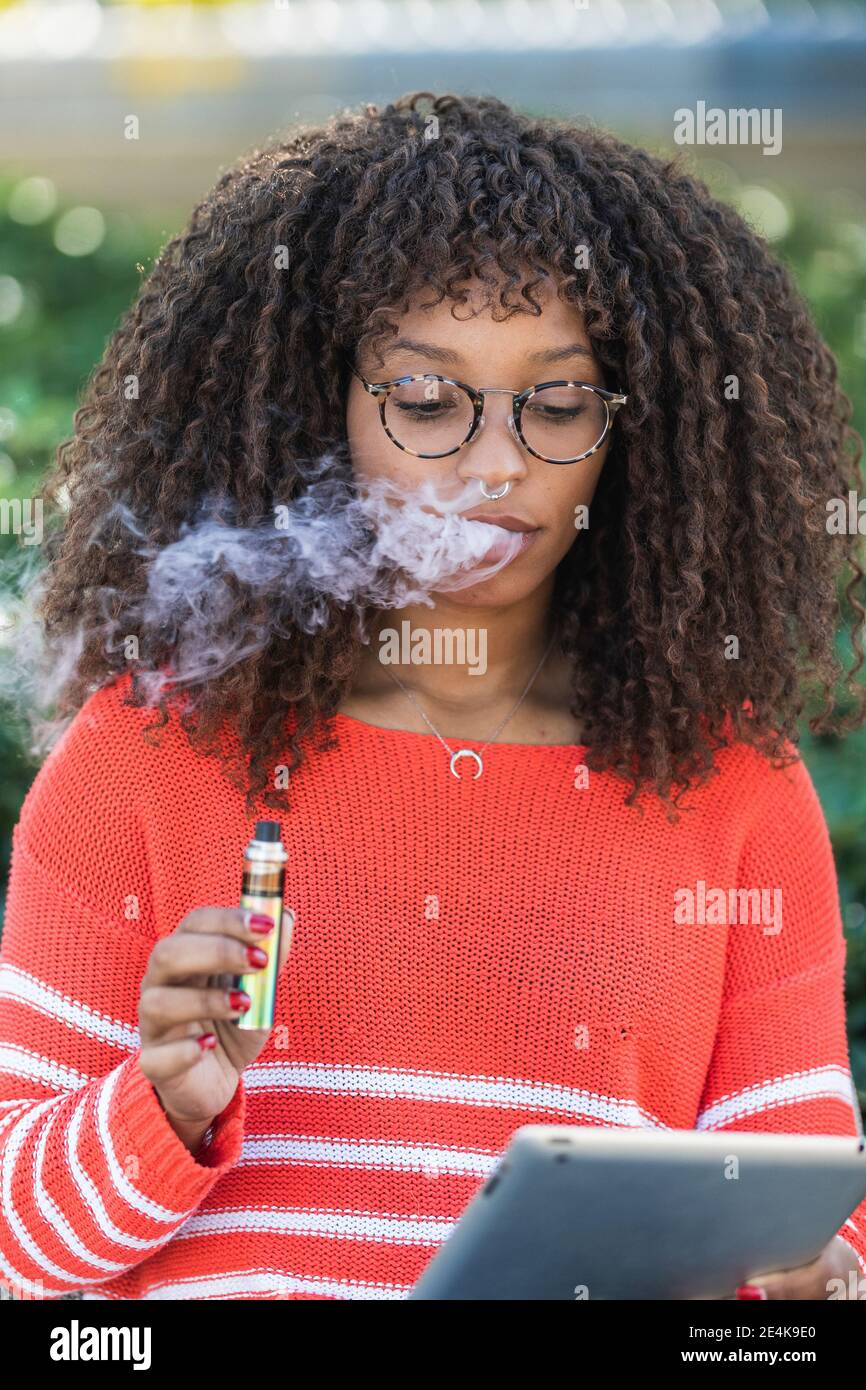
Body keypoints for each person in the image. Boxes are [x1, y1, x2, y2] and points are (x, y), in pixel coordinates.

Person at [1, 91, 864, 1302]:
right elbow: (17, 1252)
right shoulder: (146, 755)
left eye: (557, 403)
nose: (496, 462)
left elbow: (809, 1214)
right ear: (316, 410)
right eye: (423, 400)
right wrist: (161, 1108)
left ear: (638, 439)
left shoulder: (730, 788)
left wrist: (807, 1286)